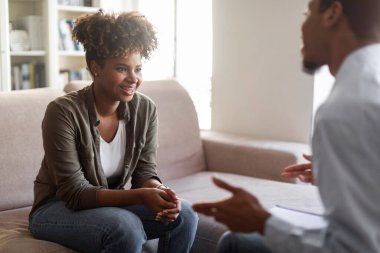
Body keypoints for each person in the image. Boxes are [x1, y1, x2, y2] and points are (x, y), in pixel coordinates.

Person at [192, 0, 380, 252]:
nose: (301, 28)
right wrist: (346, 169)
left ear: (332, 13)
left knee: (236, 243)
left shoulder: (344, 109)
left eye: (307, 13)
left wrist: (262, 221)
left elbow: (354, 247)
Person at [29, 10, 198, 253]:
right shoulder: (63, 112)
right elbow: (74, 193)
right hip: (55, 208)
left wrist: (158, 190)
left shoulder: (145, 109)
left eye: (137, 69)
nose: (134, 79)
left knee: (185, 214)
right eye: (122, 68)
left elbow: (145, 173)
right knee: (125, 226)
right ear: (96, 68)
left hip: (104, 207)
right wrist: (141, 196)